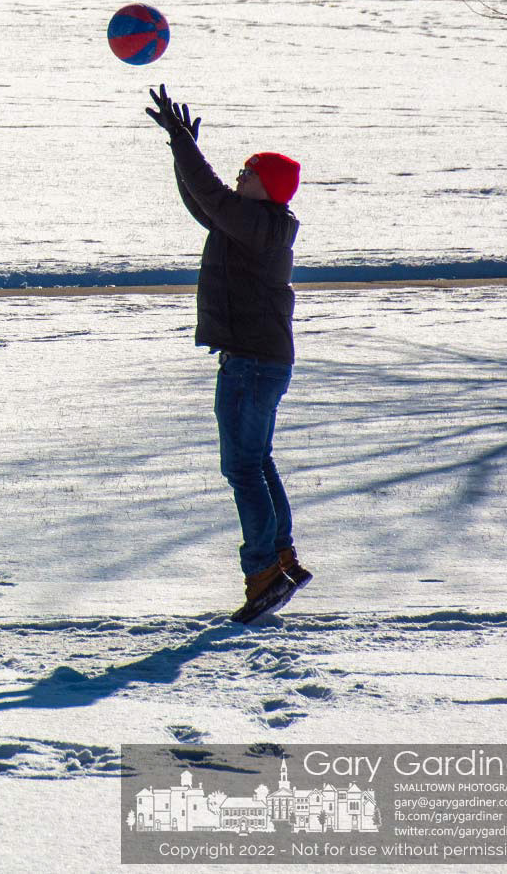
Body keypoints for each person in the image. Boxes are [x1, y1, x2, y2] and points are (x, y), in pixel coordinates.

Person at [144, 85, 313, 624]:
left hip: (251, 363)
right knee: (256, 461)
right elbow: (203, 203)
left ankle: (264, 569)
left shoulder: (258, 225)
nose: (239, 177)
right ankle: (281, 557)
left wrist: (184, 145)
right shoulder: (253, 224)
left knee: (241, 466)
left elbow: (213, 197)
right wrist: (181, 151)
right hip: (258, 361)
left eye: (248, 173)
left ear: (268, 188)